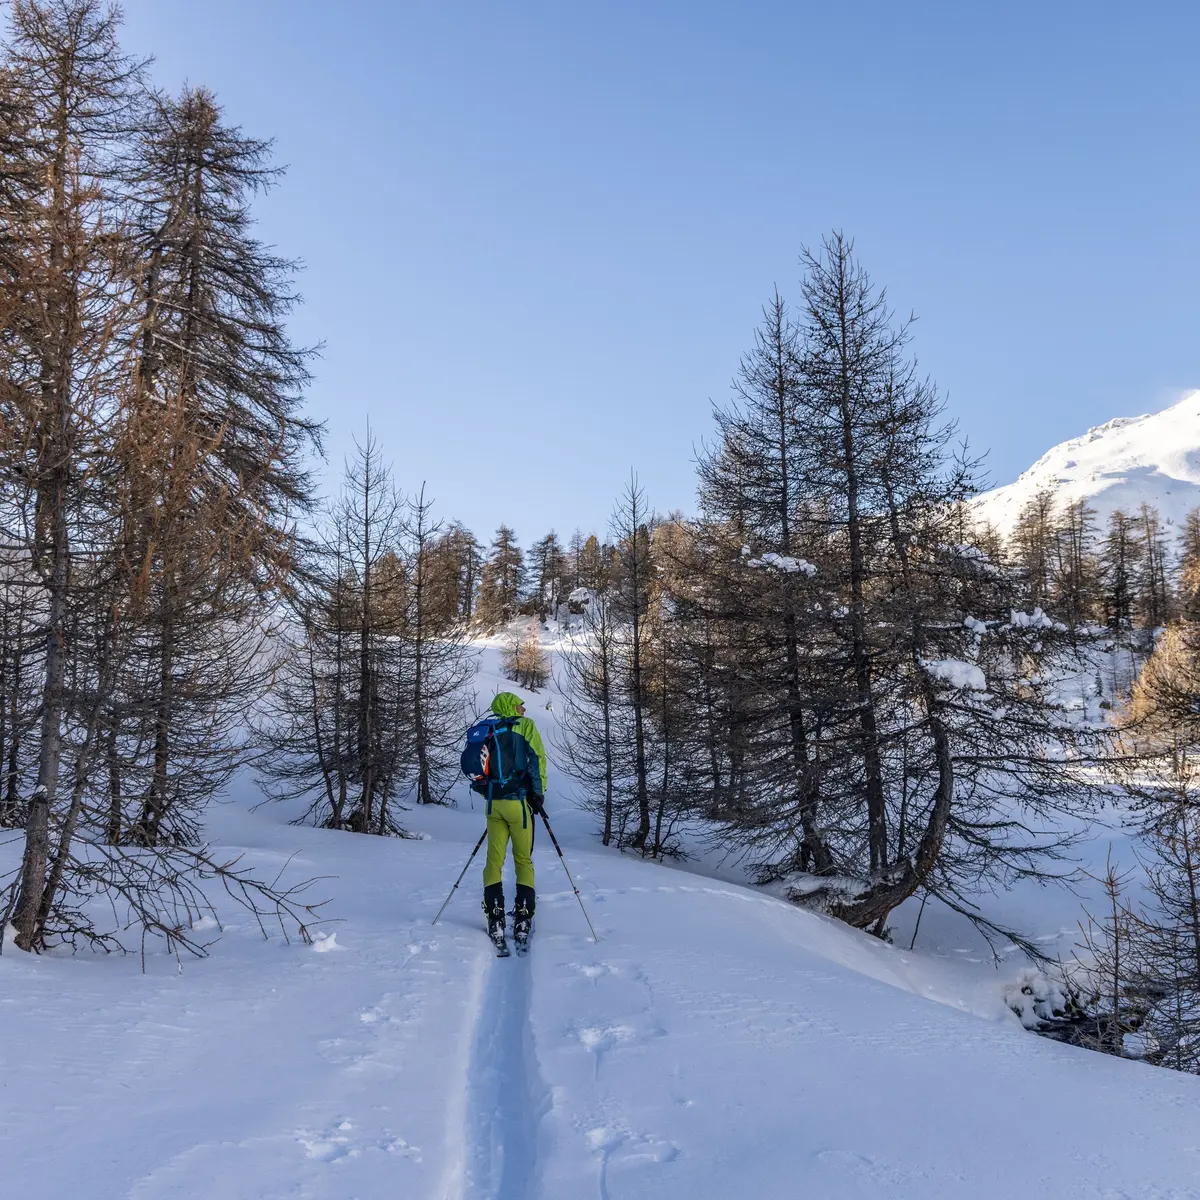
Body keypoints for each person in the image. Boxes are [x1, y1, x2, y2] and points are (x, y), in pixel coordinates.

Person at [481, 691, 548, 944]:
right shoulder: (526, 727)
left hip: (493, 803)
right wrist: (538, 795)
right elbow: (537, 760)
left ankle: (495, 915)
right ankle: (523, 916)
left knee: (493, 861)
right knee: (522, 859)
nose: (524, 710)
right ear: (512, 706)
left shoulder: (489, 728)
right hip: (518, 803)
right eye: (520, 705)